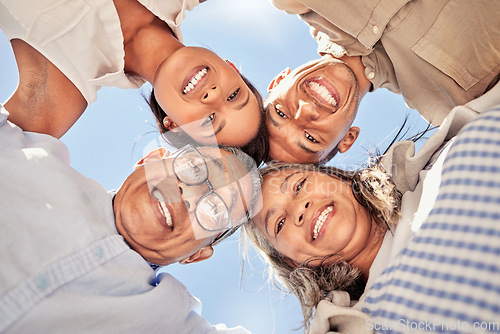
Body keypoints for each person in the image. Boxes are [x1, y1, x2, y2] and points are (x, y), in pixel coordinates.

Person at [244, 81, 500, 331]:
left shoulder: (444, 158)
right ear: (292, 263)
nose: (299, 210)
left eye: (298, 186)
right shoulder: (371, 322)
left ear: (335, 177)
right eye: (279, 223)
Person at [0, 101, 262, 332]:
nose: (190, 195)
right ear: (150, 159)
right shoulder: (20, 149)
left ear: (196, 254)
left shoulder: (170, 324)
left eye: (215, 209)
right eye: (194, 167)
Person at [0, 0, 268, 164]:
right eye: (234, 96)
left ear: (175, 127)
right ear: (232, 67)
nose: (213, 96)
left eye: (210, 121)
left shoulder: (61, 88)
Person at [265, 0, 500, 164]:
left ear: (278, 80)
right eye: (311, 138)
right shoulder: (451, 103)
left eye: (281, 113)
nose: (305, 110)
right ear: (348, 139)